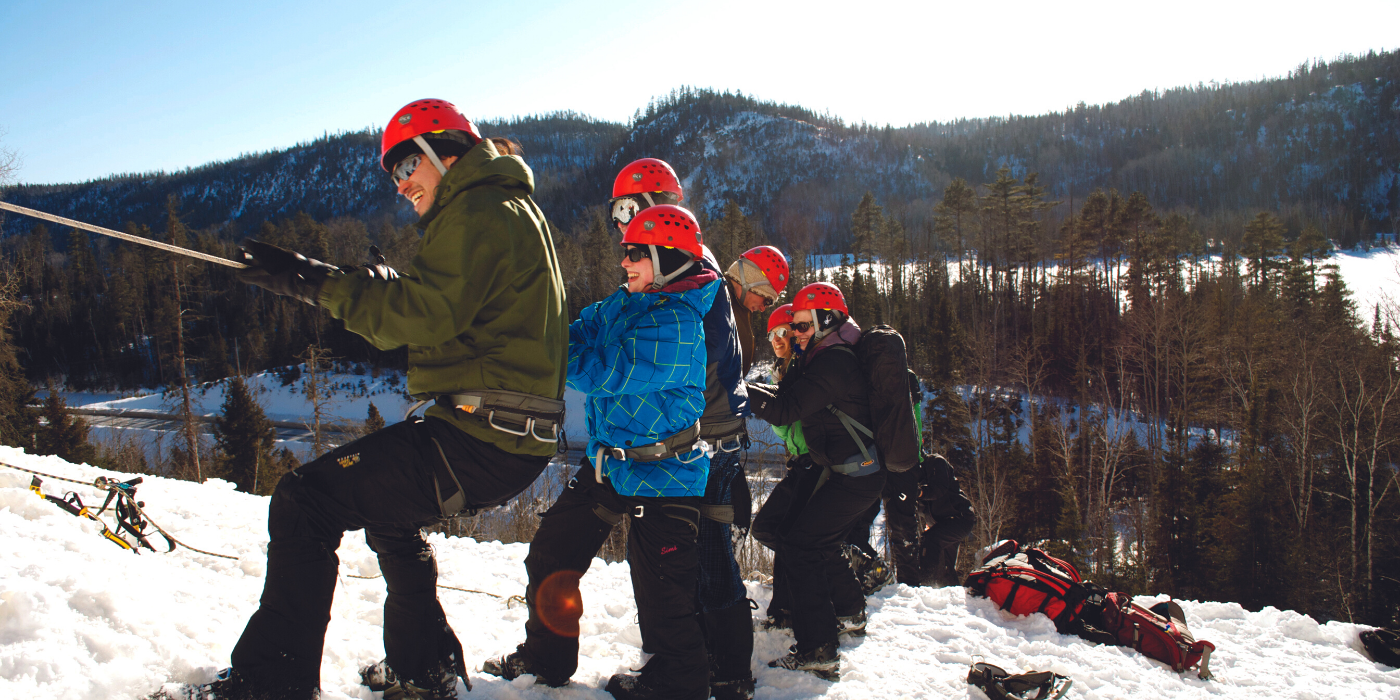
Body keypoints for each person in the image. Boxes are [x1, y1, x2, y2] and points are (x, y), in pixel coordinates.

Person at [183, 98, 568, 700]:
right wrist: (366, 286)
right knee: (390, 515)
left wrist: (317, 282)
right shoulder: (507, 206)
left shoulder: (479, 211)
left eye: (406, 164)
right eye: (392, 173)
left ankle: (268, 686)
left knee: (303, 501)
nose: (400, 183)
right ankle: (425, 669)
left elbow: (423, 314)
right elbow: (457, 304)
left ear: (446, 151)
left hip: (483, 436)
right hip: (507, 435)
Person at [485, 204, 718, 700]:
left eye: (636, 253)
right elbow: (576, 334)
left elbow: (601, 371)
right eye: (625, 251)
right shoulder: (622, 304)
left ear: (670, 259)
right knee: (552, 550)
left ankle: (678, 683)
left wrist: (540, 352)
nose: (624, 262)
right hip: (608, 465)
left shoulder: (678, 323)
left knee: (663, 592)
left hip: (666, 472)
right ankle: (545, 658)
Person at [604, 159, 767, 700]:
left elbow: (683, 355)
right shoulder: (685, 262)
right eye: (618, 213)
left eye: (631, 209)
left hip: (705, 437)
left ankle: (719, 673)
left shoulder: (684, 267)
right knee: (697, 556)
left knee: (703, 557)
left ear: (660, 203)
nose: (624, 225)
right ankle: (711, 668)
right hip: (710, 430)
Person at [746, 283, 884, 682]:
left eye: (803, 325)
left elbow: (787, 408)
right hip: (850, 473)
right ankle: (845, 613)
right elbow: (790, 396)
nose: (796, 333)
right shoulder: (823, 356)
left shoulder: (834, 362)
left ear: (827, 320)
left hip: (854, 477)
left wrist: (736, 391)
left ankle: (819, 648)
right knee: (809, 541)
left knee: (802, 545)